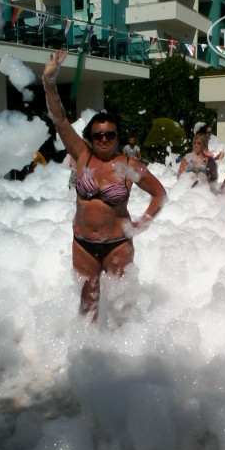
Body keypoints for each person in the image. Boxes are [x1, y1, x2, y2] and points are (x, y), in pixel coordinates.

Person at [42, 50, 167, 321]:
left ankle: (125, 348)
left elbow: (159, 194)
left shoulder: (128, 165)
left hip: (117, 244)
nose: (104, 138)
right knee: (87, 308)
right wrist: (49, 82)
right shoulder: (82, 156)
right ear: (90, 137)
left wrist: (142, 224)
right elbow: (60, 119)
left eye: (110, 134)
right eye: (98, 135)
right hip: (83, 245)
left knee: (123, 310)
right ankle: (89, 348)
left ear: (117, 137)